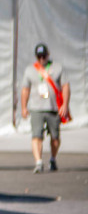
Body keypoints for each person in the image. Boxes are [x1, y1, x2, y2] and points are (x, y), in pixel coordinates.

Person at [20, 43, 71, 173]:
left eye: (44, 56)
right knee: (36, 135)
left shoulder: (57, 68)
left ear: (48, 55)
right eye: (39, 57)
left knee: (55, 137)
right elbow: (25, 90)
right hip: (36, 108)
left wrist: (65, 105)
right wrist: (24, 107)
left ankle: (53, 159)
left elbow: (65, 86)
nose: (42, 59)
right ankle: (38, 162)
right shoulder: (30, 70)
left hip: (53, 108)